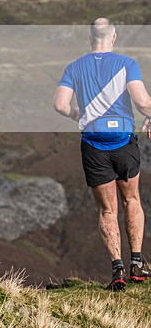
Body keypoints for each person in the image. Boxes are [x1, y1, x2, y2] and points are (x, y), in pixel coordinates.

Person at [54, 18, 151, 290]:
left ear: (89, 39)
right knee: (131, 200)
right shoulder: (127, 64)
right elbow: (142, 101)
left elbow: (60, 104)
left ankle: (117, 271)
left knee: (107, 210)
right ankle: (137, 266)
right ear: (114, 37)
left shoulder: (74, 67)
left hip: (94, 144)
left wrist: (77, 115)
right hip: (122, 141)